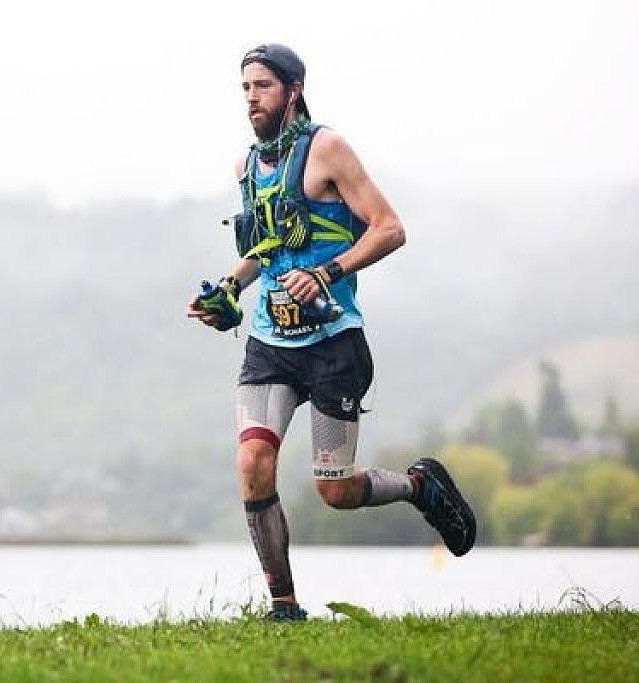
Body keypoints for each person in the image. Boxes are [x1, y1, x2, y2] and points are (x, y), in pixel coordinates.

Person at [187, 43, 476, 621]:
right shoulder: (247, 166)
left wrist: (326, 273)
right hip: (270, 344)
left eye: (263, 86)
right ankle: (284, 607)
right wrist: (229, 288)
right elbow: (266, 248)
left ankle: (420, 485)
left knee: (335, 491)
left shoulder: (328, 149)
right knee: (252, 463)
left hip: (333, 345)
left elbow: (389, 228)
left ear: (293, 90)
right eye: (245, 88)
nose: (251, 98)